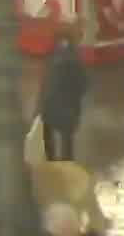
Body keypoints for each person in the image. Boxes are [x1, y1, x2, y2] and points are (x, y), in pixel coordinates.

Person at [37, 36, 89, 164]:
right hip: (69, 106)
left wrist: (41, 104)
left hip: (52, 105)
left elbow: (46, 85)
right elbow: (85, 84)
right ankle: (67, 161)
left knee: (48, 131)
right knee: (67, 136)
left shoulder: (52, 61)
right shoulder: (76, 62)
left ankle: (51, 159)